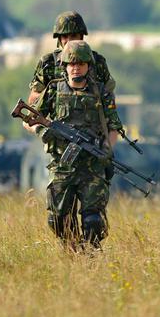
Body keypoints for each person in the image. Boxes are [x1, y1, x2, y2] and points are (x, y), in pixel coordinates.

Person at [31, 40, 122, 251]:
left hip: (92, 167)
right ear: (64, 66)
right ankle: (71, 252)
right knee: (59, 220)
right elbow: (30, 119)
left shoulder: (101, 93)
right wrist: (44, 130)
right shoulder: (53, 90)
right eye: (71, 64)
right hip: (62, 166)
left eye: (80, 63)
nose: (76, 67)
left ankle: (89, 256)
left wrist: (107, 150)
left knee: (93, 222)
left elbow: (113, 127)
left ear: (89, 66)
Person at [27, 11, 115, 106]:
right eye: (65, 36)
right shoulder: (48, 62)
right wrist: (54, 99)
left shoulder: (97, 62)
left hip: (90, 118)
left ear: (81, 37)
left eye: (73, 36)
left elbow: (109, 95)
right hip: (57, 119)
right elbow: (33, 98)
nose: (69, 41)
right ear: (59, 39)